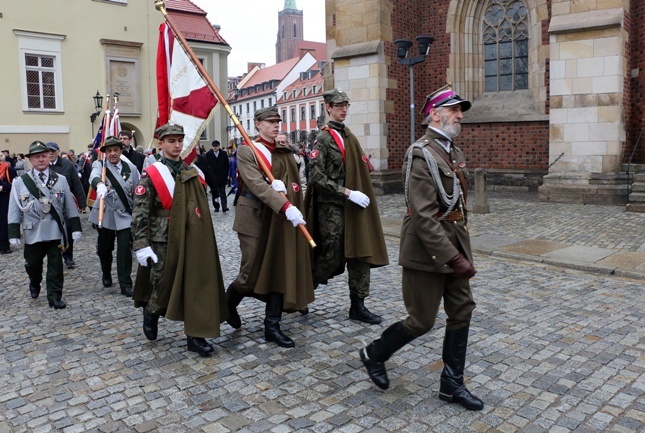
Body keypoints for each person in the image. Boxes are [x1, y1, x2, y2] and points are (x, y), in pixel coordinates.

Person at [359, 85, 483, 411]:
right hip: (427, 251)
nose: (460, 116)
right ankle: (375, 353)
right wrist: (454, 258)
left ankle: (451, 384)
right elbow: (424, 217)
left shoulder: (451, 151)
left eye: (460, 110)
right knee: (421, 320)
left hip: (454, 242)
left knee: (462, 310)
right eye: (454, 110)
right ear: (434, 114)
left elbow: (456, 203)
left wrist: (459, 252)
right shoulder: (421, 154)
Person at [131, 123, 228, 357]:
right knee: (162, 283)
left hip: (190, 238)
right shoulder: (152, 174)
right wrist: (142, 245)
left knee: (193, 284)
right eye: (171, 141)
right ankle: (151, 312)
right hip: (162, 238)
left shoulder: (191, 170)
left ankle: (195, 336)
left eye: (179, 141)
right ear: (161, 144)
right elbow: (140, 213)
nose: (176, 145)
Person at [226, 107, 314, 348]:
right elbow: (256, 185)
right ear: (257, 124)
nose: (276, 125)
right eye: (270, 122)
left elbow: (294, 183)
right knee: (250, 271)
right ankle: (227, 304)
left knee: (278, 267)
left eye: (277, 121)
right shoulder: (247, 151)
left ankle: (271, 326)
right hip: (254, 216)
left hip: (278, 219)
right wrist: (284, 204)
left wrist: (293, 202)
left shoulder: (283, 152)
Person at [305, 89, 388, 324]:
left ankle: (358, 305)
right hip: (331, 208)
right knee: (330, 256)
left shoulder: (349, 135)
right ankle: (302, 293)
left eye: (346, 105)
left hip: (353, 207)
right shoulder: (322, 138)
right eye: (339, 105)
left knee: (360, 252)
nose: (344, 109)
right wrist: (347, 192)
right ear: (328, 108)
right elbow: (315, 177)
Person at [7, 141, 82, 309]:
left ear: (49, 157)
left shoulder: (60, 180)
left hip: (55, 230)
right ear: (30, 160)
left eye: (43, 156)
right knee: (32, 264)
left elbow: (69, 205)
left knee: (56, 264)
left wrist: (76, 228)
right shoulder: (20, 182)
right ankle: (35, 281)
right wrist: (13, 233)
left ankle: (54, 296)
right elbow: (14, 208)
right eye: (36, 157)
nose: (40, 160)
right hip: (32, 231)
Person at [89, 136, 141, 297]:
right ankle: (106, 272)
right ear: (105, 152)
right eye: (109, 150)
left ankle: (125, 283)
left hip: (125, 214)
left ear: (120, 151)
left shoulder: (130, 168)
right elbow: (93, 176)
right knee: (105, 249)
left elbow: (137, 189)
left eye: (116, 150)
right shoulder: (100, 165)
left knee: (125, 250)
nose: (112, 153)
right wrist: (99, 184)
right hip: (105, 214)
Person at [47, 142, 87, 268]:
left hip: (65, 205)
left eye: (53, 151)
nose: (51, 153)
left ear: (58, 151)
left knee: (68, 230)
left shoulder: (67, 165)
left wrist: (82, 203)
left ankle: (68, 256)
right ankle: (55, 256)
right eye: (48, 151)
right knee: (52, 232)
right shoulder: (43, 166)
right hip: (49, 206)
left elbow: (76, 185)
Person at [0, 154, 18, 254]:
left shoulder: (9, 170)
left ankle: (4, 245)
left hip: (5, 199)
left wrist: (4, 186)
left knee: (4, 223)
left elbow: (15, 184)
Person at [205, 140, 229, 212]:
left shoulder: (223, 154)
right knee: (214, 193)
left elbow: (227, 165)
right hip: (213, 177)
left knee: (222, 193)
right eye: (214, 146)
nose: (215, 148)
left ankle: (224, 206)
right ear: (212, 147)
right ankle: (216, 207)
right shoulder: (208, 154)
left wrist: (226, 175)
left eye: (216, 146)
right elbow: (207, 165)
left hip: (222, 177)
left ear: (219, 146)